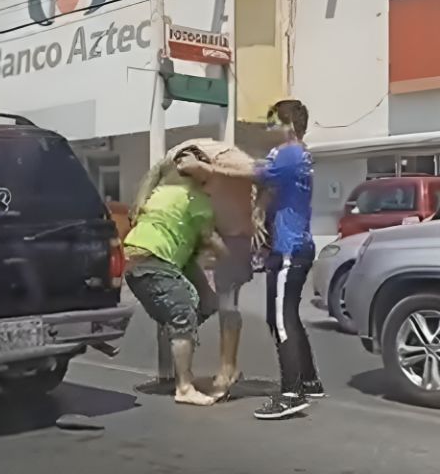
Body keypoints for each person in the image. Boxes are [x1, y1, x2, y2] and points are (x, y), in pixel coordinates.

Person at [183, 99, 324, 420]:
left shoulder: (288, 153)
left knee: (280, 320)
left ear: (288, 125)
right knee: (288, 315)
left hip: (290, 248)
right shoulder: (298, 156)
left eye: (272, 121)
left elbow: (250, 172)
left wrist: (207, 168)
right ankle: (310, 380)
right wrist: (261, 214)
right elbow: (270, 189)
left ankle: (290, 394)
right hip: (294, 245)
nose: (267, 128)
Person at [129, 139, 263, 398]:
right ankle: (181, 378)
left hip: (220, 238)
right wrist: (140, 199)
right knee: (183, 309)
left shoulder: (221, 160)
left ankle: (217, 363)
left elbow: (263, 175)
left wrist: (256, 214)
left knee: (216, 302)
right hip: (179, 247)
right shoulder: (191, 186)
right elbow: (156, 171)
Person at [123, 150, 227, 406]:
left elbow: (188, 243)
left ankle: (180, 335)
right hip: (153, 260)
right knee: (183, 313)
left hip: (143, 259)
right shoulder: (197, 200)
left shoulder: (161, 191)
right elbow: (210, 240)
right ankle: (184, 386)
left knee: (208, 302)